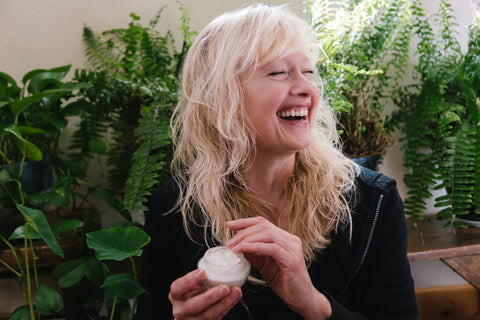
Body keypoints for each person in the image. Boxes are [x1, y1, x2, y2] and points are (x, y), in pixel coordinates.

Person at [135, 3, 419, 320]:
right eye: (279, 72)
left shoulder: (374, 202)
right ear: (221, 97)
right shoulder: (174, 208)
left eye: (308, 72)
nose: (306, 87)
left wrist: (315, 305)